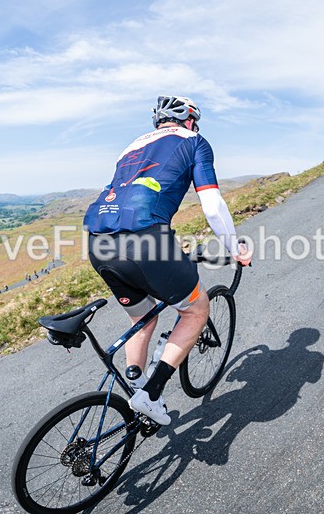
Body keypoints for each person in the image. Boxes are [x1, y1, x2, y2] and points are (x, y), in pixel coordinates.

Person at [83, 95, 252, 425]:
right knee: (196, 310)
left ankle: (134, 384)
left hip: (97, 243)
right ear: (189, 120)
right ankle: (151, 395)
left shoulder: (129, 148)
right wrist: (234, 247)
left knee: (142, 316)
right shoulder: (194, 141)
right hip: (145, 241)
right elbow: (212, 205)